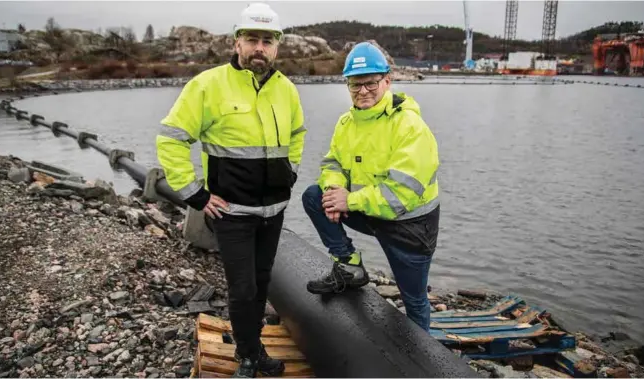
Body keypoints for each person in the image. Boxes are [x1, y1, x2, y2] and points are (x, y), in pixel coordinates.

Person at [156, 3, 306, 377]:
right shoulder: (208, 85)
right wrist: (196, 194)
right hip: (231, 213)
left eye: (267, 41)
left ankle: (256, 349)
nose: (260, 47)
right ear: (237, 42)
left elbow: (298, 135)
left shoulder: (286, 89)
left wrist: (291, 173)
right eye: (252, 39)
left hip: (273, 212)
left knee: (261, 285)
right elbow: (172, 138)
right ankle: (247, 356)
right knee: (241, 289)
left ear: (276, 46)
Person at [302, 42, 440, 333]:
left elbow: (400, 196)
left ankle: (422, 361)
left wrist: (348, 200)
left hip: (409, 227)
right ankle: (349, 266)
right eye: (355, 84)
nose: (362, 91)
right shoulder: (346, 122)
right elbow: (333, 163)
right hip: (370, 211)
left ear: (387, 81)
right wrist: (335, 191)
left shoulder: (409, 126)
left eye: (370, 83)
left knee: (414, 300)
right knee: (316, 197)